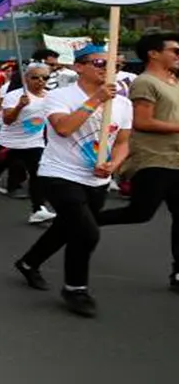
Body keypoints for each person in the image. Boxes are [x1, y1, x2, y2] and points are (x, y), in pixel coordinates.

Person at [14, 44, 132, 318]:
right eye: (99, 63)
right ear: (79, 67)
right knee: (86, 232)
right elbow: (64, 128)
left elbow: (123, 142)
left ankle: (29, 262)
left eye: (112, 64)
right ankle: (75, 288)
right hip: (59, 174)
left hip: (97, 180)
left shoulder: (123, 103)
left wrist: (114, 164)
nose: (107, 69)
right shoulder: (59, 96)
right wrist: (96, 100)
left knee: (66, 228)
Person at [97, 33, 179, 293]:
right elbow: (143, 122)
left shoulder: (174, 82)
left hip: (176, 157)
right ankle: (80, 220)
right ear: (153, 53)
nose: (178, 55)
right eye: (175, 51)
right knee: (139, 213)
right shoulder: (145, 82)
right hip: (154, 158)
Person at [0, 63, 57, 223]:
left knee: (38, 175)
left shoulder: (50, 97)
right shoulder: (14, 96)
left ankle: (38, 209)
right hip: (9, 142)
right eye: (35, 77)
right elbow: (7, 120)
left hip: (34, 143)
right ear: (26, 78)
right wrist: (20, 106)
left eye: (45, 77)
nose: (40, 81)